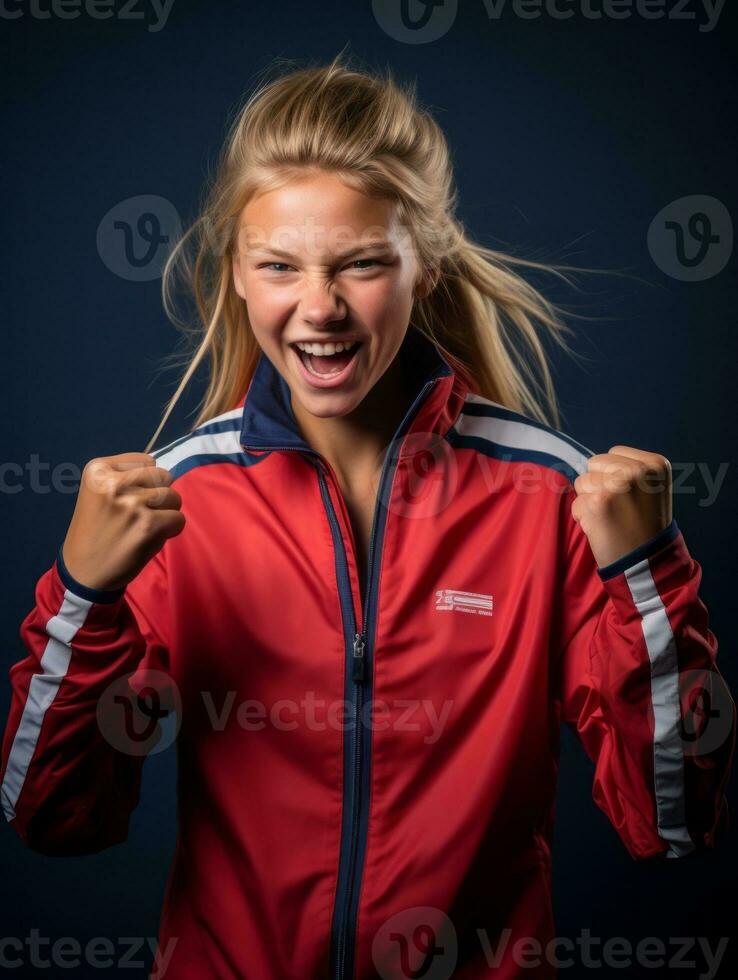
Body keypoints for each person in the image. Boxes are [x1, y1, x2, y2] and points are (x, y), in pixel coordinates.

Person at [1, 52, 734, 980]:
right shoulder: (180, 503)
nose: (321, 307)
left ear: (425, 267)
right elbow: (51, 819)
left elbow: (671, 822)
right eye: (279, 265)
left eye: (361, 264)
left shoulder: (551, 497)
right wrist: (81, 597)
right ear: (234, 273)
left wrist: (652, 576)